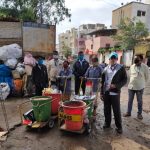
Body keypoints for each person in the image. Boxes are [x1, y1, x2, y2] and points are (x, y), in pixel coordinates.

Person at [101, 52, 127, 134]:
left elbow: (125, 80)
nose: (113, 59)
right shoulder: (105, 69)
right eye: (111, 58)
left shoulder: (120, 68)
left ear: (117, 59)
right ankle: (107, 123)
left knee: (116, 110)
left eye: (114, 58)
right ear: (109, 59)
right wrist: (102, 92)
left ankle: (119, 127)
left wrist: (116, 85)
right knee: (106, 109)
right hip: (106, 92)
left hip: (115, 93)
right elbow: (103, 82)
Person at [124, 54, 149, 120]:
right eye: (134, 58)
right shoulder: (132, 66)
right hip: (131, 87)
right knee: (130, 100)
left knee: (139, 101)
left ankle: (139, 114)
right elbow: (130, 75)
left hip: (140, 87)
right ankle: (128, 112)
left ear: (141, 60)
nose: (135, 59)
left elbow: (147, 77)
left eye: (137, 58)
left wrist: (142, 84)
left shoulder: (145, 67)